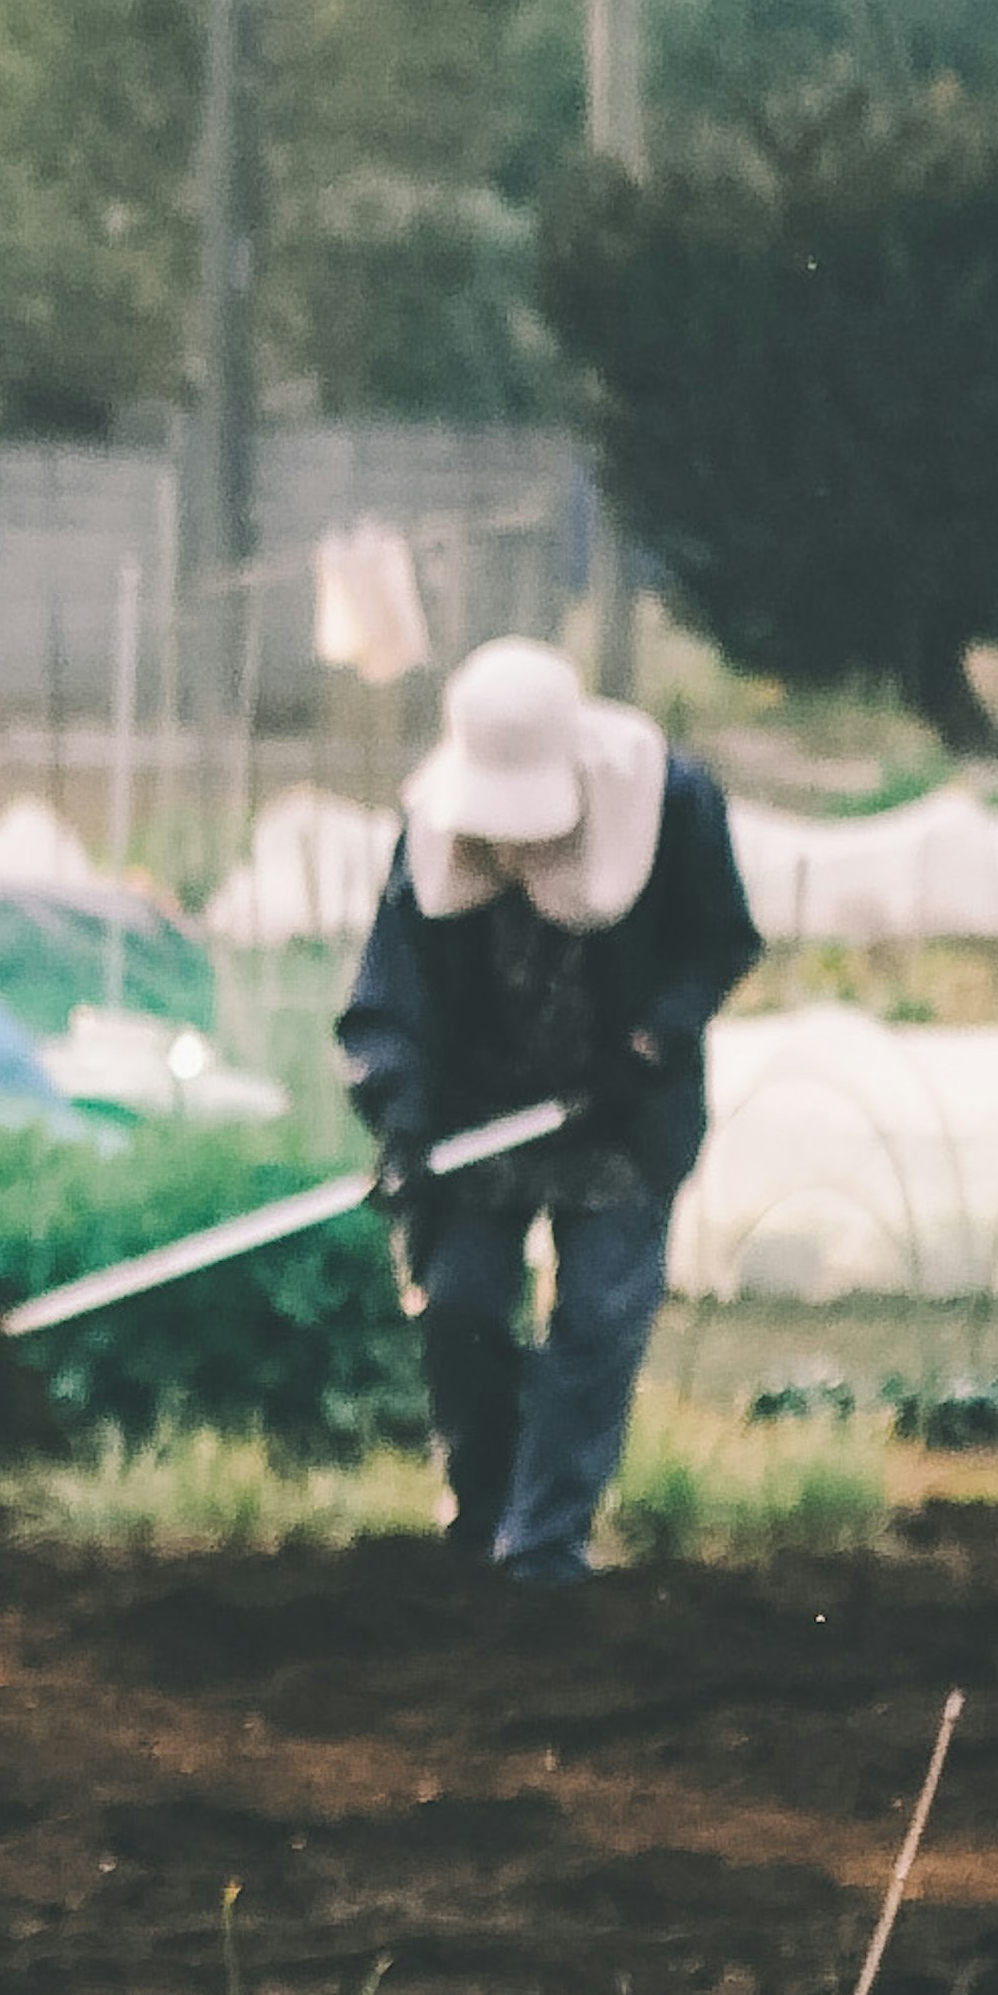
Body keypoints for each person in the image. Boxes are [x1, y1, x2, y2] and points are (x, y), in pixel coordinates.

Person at [340, 636, 760, 1584]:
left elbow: (721, 941)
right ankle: (483, 1514)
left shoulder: (675, 804)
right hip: (475, 1116)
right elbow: (390, 997)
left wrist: (649, 1044)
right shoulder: (433, 832)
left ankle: (541, 1552)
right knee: (459, 1309)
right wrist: (398, 1118)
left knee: (597, 1323)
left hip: (618, 1116)